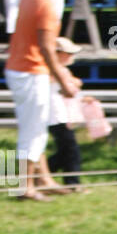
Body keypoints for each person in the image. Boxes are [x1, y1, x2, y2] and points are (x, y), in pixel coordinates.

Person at [5, 0, 80, 202]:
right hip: (30, 71)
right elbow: (47, 48)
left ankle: (42, 180)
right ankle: (25, 187)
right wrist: (65, 81)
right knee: (33, 132)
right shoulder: (46, 3)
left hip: (23, 68)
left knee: (37, 129)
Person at [47, 36, 87, 191]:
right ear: (56, 53)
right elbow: (69, 85)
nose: (72, 56)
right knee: (70, 150)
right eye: (68, 53)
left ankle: (43, 176)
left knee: (66, 149)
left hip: (61, 114)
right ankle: (72, 183)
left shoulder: (59, 70)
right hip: (55, 115)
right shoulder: (53, 70)